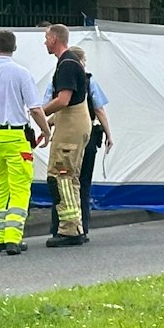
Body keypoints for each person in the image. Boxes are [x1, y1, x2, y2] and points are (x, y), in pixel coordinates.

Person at [0, 29, 48, 255]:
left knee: (0, 186)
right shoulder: (21, 73)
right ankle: (13, 238)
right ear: (14, 48)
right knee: (20, 188)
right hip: (15, 137)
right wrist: (46, 130)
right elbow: (35, 109)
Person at [39, 24, 90, 247]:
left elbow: (63, 100)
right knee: (69, 177)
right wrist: (50, 122)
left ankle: (69, 230)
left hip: (71, 128)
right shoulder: (69, 62)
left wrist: (39, 113)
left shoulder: (67, 64)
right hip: (72, 123)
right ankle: (75, 226)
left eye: (46, 37)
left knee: (61, 176)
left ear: (55, 39)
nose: (45, 42)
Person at [60, 46, 112, 239]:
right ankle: (83, 226)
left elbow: (49, 104)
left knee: (64, 180)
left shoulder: (58, 80)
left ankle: (62, 225)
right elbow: (99, 109)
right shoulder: (89, 81)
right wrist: (109, 134)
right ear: (81, 61)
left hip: (64, 135)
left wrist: (47, 129)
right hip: (87, 134)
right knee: (83, 182)